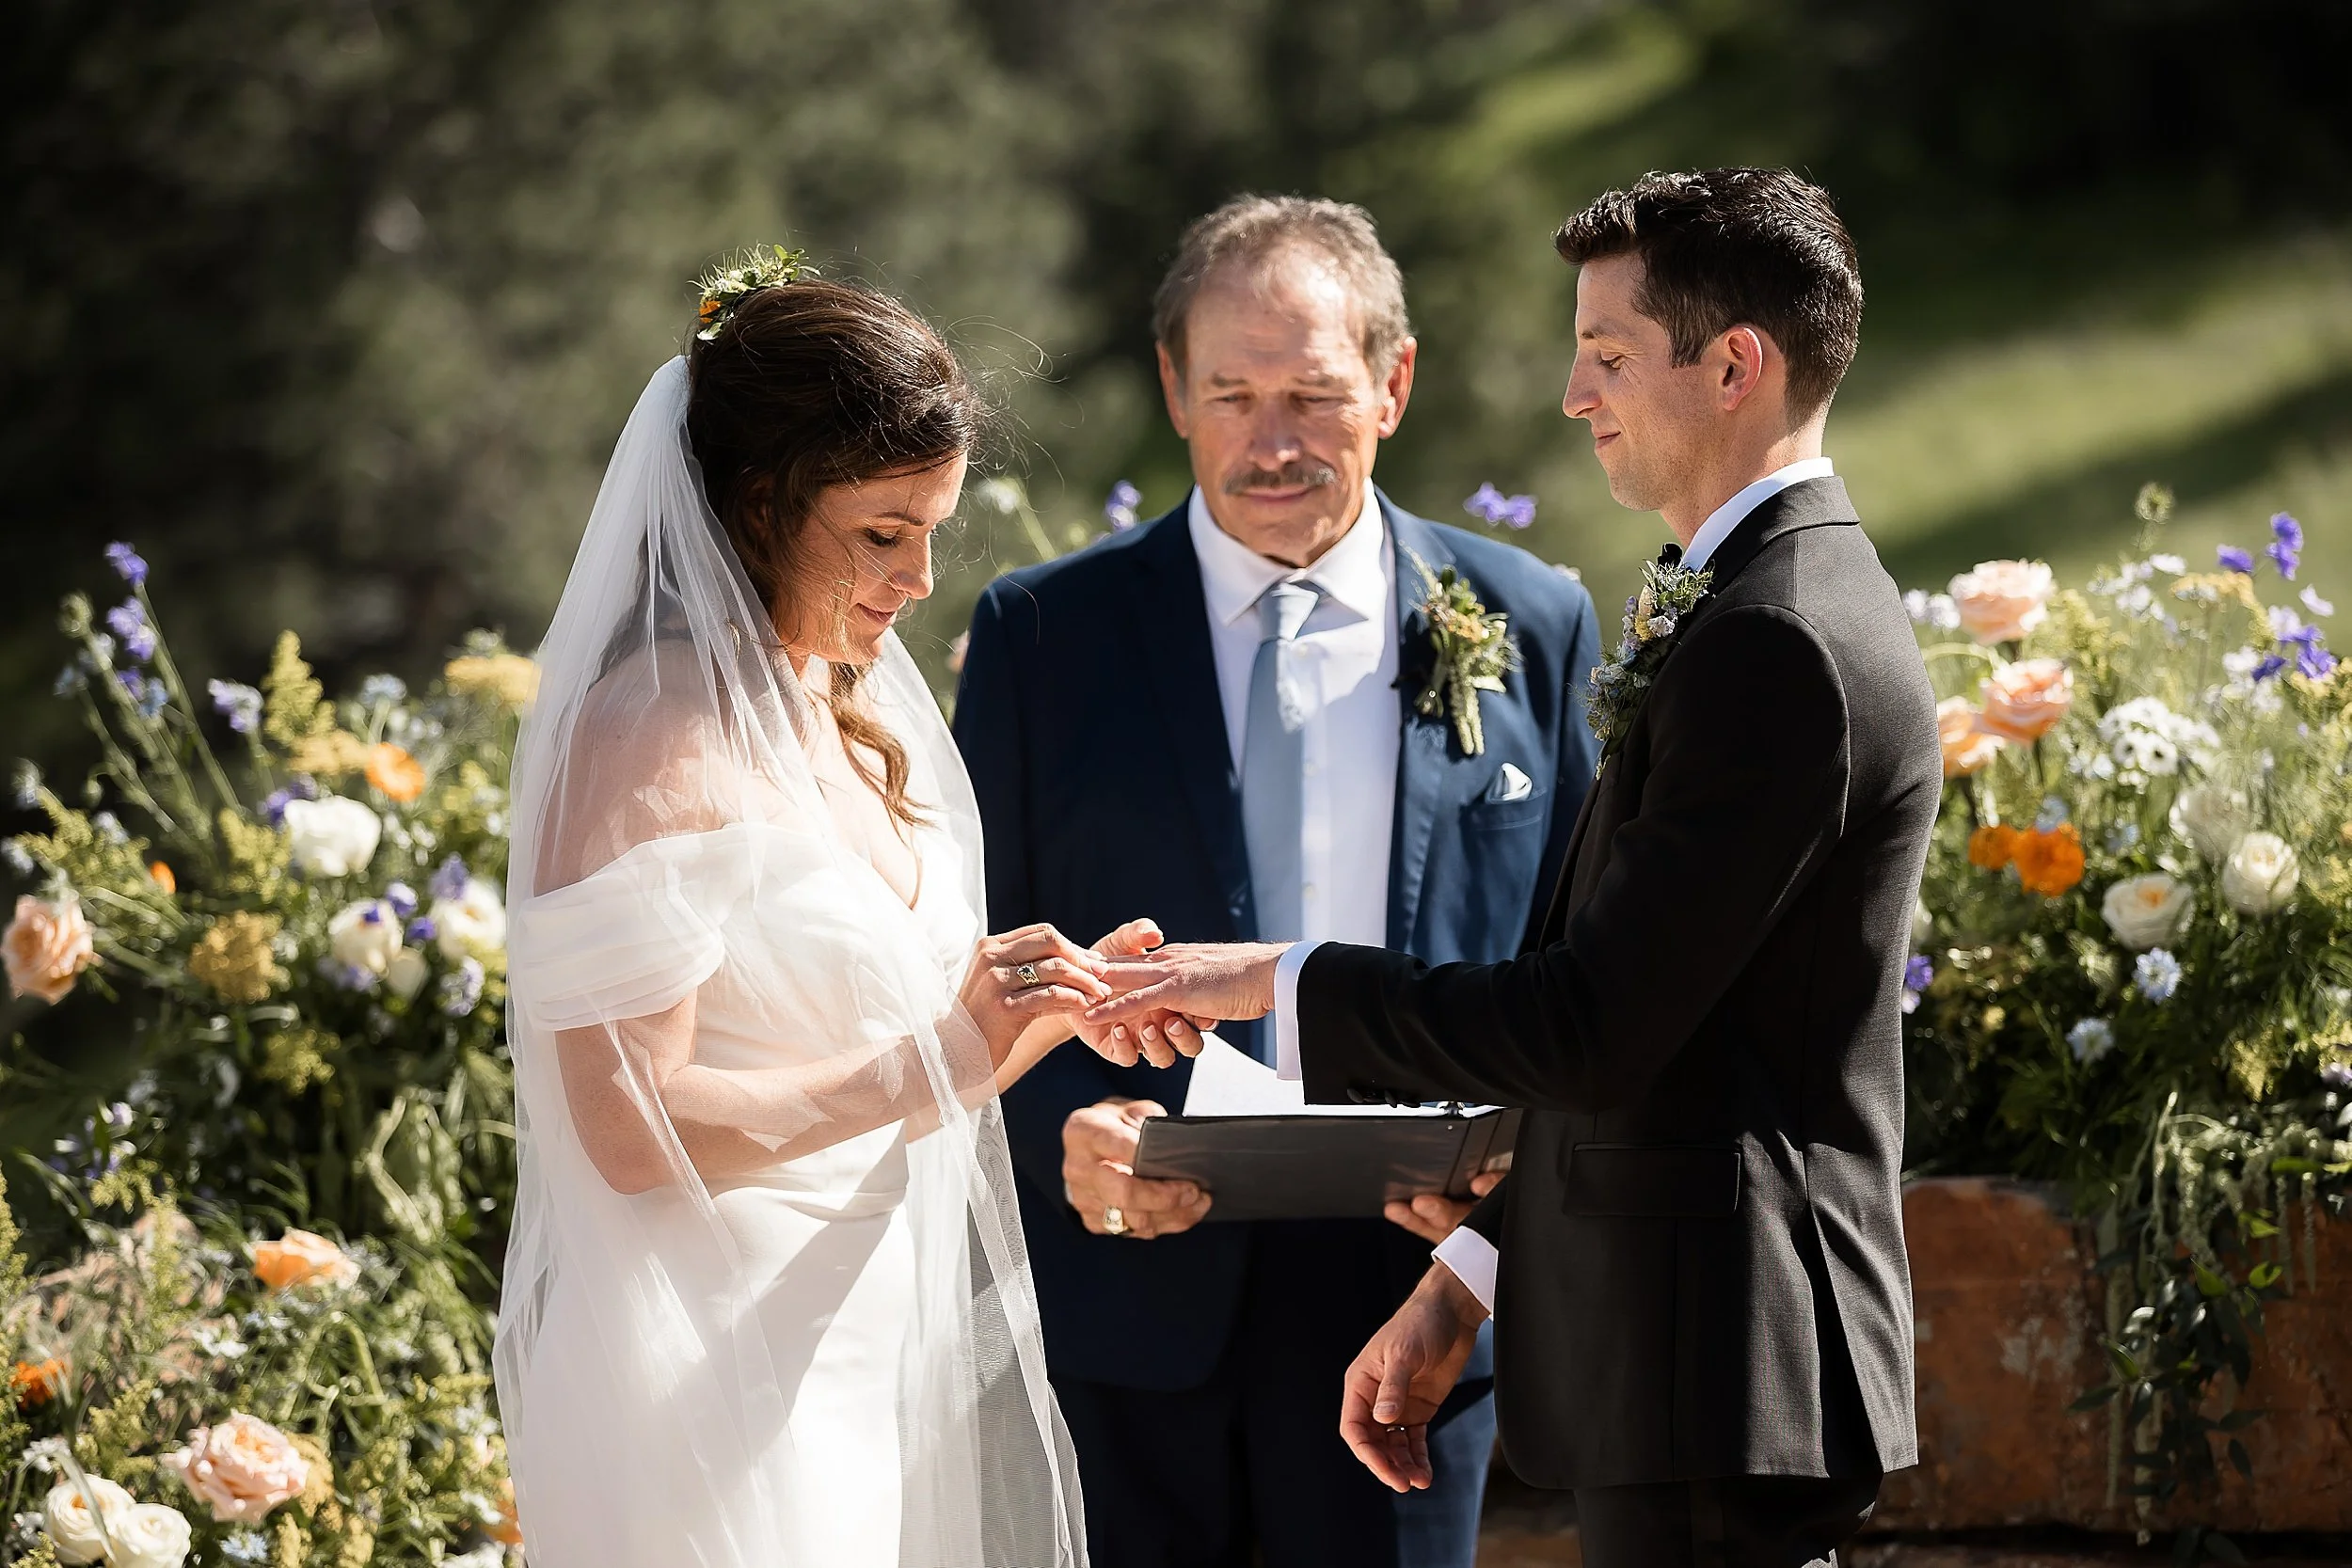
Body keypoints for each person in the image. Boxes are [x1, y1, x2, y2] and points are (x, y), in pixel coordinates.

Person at [1083, 168, 1944, 1568]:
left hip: (1726, 1363)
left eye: (1607, 353)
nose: (1572, 393)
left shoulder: (1775, 638)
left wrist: (1277, 982)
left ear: (1734, 364)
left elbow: (1589, 1023)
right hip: (1694, 1370)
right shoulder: (1746, 604)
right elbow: (1674, 1038)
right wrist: (1469, 1276)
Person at [953, 196, 1599, 1568]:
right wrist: (1071, 1133)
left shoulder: (1531, 622)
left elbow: (1585, 964)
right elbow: (965, 962)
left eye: (1314, 392)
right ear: (1175, 390)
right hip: (1132, 1309)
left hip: (1416, 1308)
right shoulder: (1042, 638)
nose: (1275, 439)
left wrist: (1504, 1200)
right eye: (1234, 392)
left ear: (1394, 383)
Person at [494, 260, 1139, 1567]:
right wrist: (940, 1058)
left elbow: (878, 1033)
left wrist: (1039, 1002)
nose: (918, 579)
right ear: (759, 506)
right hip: (704, 1375)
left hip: (867, 1339)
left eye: (933, 531)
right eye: (881, 534)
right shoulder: (649, 741)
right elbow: (629, 1125)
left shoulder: (840, 712)